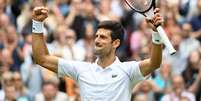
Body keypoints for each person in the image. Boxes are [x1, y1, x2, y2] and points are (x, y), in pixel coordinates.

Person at [32, 6, 163, 101]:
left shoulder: (128, 70)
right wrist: (37, 24)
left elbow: (154, 63)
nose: (97, 40)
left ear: (115, 43)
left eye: (103, 37)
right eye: (97, 36)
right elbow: (41, 59)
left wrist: (156, 33)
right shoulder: (81, 70)